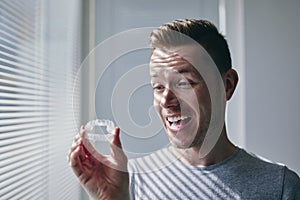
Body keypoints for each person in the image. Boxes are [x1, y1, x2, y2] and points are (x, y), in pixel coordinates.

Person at [68, 19, 300, 199]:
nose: (167, 101)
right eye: (158, 86)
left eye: (184, 83)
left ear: (227, 85)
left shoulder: (280, 187)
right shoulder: (130, 182)